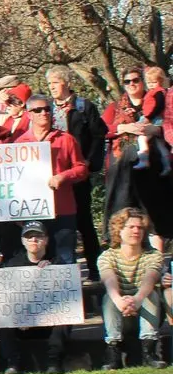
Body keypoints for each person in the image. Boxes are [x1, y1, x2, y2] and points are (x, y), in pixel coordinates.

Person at [45, 65, 108, 279]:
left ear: (66, 83)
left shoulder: (83, 107)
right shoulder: (47, 109)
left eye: (55, 82)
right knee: (56, 224)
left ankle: (95, 269)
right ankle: (59, 272)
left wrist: (89, 163)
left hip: (78, 174)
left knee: (84, 221)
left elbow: (99, 135)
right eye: (50, 83)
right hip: (54, 176)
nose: (52, 87)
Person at [12, 94, 88, 264]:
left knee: (65, 259)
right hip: (33, 210)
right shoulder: (19, 143)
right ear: (28, 114)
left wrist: (63, 176)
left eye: (47, 109)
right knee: (36, 261)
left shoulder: (66, 139)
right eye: (38, 110)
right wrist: (17, 212)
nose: (43, 113)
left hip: (63, 209)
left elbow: (82, 169)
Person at [104, 68, 173, 245]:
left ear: (143, 81)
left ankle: (157, 258)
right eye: (127, 81)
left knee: (155, 216)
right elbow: (102, 129)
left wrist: (155, 130)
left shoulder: (159, 100)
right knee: (123, 213)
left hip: (153, 168)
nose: (132, 84)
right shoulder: (115, 107)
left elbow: (168, 124)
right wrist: (124, 128)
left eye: (135, 80)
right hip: (123, 168)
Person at [97, 208, 167, 370]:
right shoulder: (107, 256)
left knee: (151, 294)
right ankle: (113, 351)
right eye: (131, 227)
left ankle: (149, 351)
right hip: (119, 313)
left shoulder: (154, 255)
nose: (136, 231)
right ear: (119, 230)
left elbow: (150, 278)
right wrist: (120, 301)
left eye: (140, 228)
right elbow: (109, 279)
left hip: (146, 311)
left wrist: (137, 300)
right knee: (109, 297)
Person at [0, 221, 70, 374]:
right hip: (21, 326)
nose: (33, 240)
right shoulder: (12, 265)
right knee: (1, 317)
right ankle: (13, 363)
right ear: (23, 241)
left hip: (49, 324)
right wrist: (21, 318)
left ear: (46, 240)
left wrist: (51, 272)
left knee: (66, 313)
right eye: (29, 237)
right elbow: (8, 299)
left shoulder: (57, 262)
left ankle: (54, 361)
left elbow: (65, 297)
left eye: (38, 236)